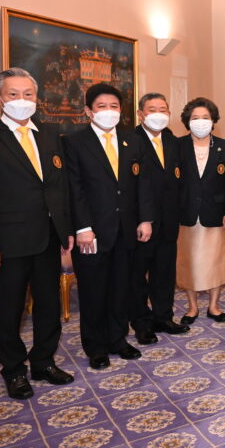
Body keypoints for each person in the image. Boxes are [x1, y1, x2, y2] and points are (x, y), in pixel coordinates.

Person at [0, 68, 75, 399]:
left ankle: (43, 362)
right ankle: (13, 371)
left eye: (28, 94)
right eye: (13, 94)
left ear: (37, 98)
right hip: (8, 243)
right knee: (9, 311)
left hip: (47, 238)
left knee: (48, 306)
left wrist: (65, 229)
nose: (21, 100)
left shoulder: (51, 136)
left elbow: (59, 188)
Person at [65, 83, 153, 370]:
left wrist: (145, 219)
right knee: (93, 292)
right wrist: (82, 228)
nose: (109, 111)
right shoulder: (74, 143)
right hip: (92, 232)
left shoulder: (132, 141)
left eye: (114, 106)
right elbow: (74, 189)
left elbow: (142, 184)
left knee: (121, 288)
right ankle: (96, 347)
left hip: (126, 229)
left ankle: (118, 339)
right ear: (89, 111)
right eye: (102, 106)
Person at [130, 93, 189, 345]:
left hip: (169, 220)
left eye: (163, 110)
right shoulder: (130, 141)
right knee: (137, 276)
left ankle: (163, 317)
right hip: (142, 222)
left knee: (164, 272)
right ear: (140, 114)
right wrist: (143, 219)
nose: (158, 114)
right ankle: (141, 324)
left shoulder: (172, 141)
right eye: (152, 109)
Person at [175, 97, 225, 324]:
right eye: (195, 118)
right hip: (186, 213)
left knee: (215, 261)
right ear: (187, 121)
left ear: (213, 121)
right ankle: (192, 307)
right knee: (188, 262)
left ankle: (214, 306)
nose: (200, 122)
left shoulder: (224, 146)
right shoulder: (178, 146)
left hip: (217, 214)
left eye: (205, 117)